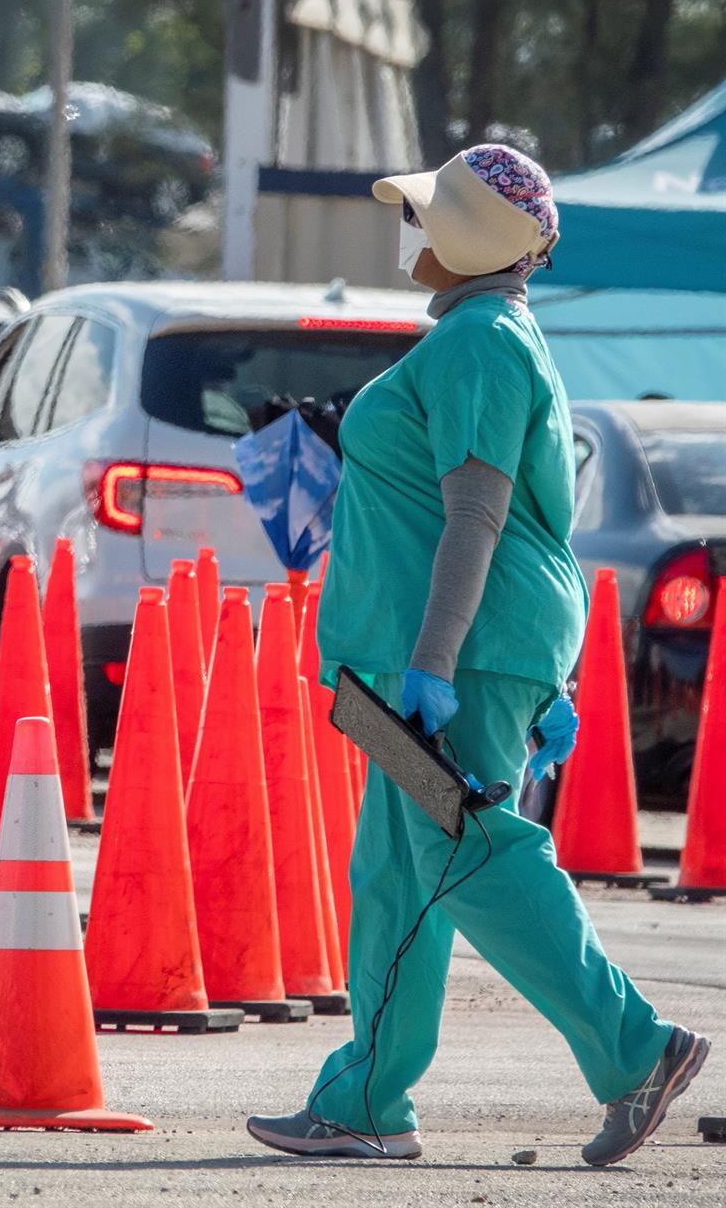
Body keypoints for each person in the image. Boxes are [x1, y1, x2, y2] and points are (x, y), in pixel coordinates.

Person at [246, 146, 708, 1165]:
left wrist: (437, 664)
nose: (411, 233)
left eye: (426, 216)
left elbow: (479, 515)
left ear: (471, 234)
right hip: (435, 656)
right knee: (395, 876)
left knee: (467, 852)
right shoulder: (483, 337)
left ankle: (637, 1051)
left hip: (447, 659)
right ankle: (367, 1100)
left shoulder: (479, 344)